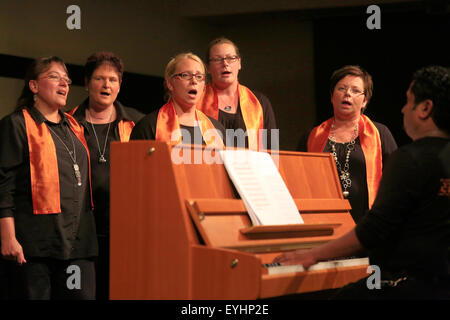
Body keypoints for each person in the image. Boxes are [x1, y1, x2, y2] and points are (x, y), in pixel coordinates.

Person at [275, 65, 450, 300]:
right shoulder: (312, 135)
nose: (402, 109)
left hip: (408, 280)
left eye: (408, 102)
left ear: (425, 108)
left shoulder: (407, 156)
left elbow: (377, 228)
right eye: (341, 88)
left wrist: (313, 255)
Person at [0, 56, 97, 300]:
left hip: (78, 243)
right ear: (33, 86)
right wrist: (8, 237)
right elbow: (4, 185)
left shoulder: (75, 127)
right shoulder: (17, 124)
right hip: (35, 244)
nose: (64, 83)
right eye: (55, 77)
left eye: (66, 79)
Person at [68, 51, 144, 300]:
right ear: (88, 82)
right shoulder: (67, 122)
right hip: (80, 231)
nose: (106, 85)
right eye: (100, 79)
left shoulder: (137, 123)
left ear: (120, 86)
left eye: (112, 80)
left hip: (124, 228)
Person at [298, 65, 397, 222]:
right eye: (341, 88)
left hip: (369, 223)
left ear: (365, 101)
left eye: (355, 90)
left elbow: (396, 180)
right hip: (325, 221)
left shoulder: (380, 133)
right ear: (332, 96)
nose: (347, 94)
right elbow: (300, 182)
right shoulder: (311, 136)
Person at [197, 37, 277, 150]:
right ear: (208, 68)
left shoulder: (259, 101)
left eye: (231, 58)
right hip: (208, 165)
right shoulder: (196, 99)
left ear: (239, 63)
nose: (225, 63)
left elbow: (272, 148)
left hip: (251, 166)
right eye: (217, 59)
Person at [131, 52, 225, 147]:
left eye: (199, 76)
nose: (194, 81)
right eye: (185, 75)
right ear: (170, 84)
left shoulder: (216, 129)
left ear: (204, 86)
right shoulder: (148, 127)